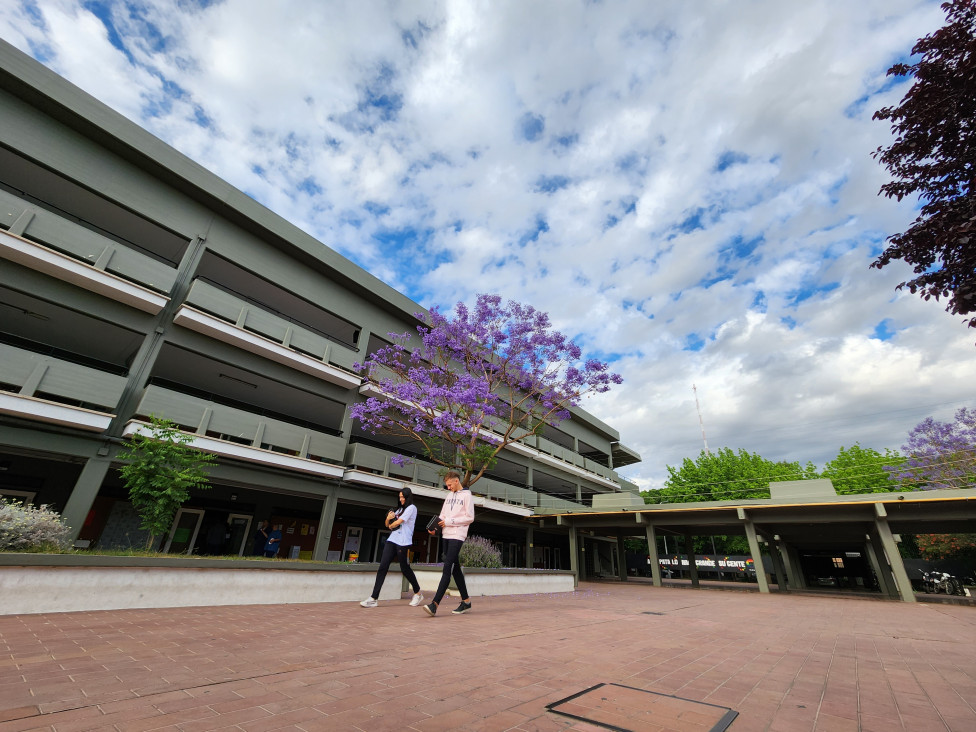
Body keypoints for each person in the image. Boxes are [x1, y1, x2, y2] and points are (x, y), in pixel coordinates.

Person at [360, 487, 424, 608]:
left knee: (405, 568)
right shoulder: (399, 509)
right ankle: (373, 598)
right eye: (399, 497)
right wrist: (388, 519)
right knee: (383, 567)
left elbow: (397, 523)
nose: (400, 499)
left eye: (402, 497)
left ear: (407, 497)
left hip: (403, 542)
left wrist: (391, 523)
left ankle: (418, 593)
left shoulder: (412, 508)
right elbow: (387, 525)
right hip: (392, 540)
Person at [423, 471, 474, 617]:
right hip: (446, 534)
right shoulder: (449, 496)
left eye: (450, 485)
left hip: (458, 535)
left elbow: (470, 517)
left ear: (457, 481)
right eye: (447, 485)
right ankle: (466, 601)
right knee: (455, 569)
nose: (449, 488)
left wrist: (450, 522)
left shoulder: (467, 495)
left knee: (447, 568)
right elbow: (443, 515)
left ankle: (434, 604)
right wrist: (435, 529)